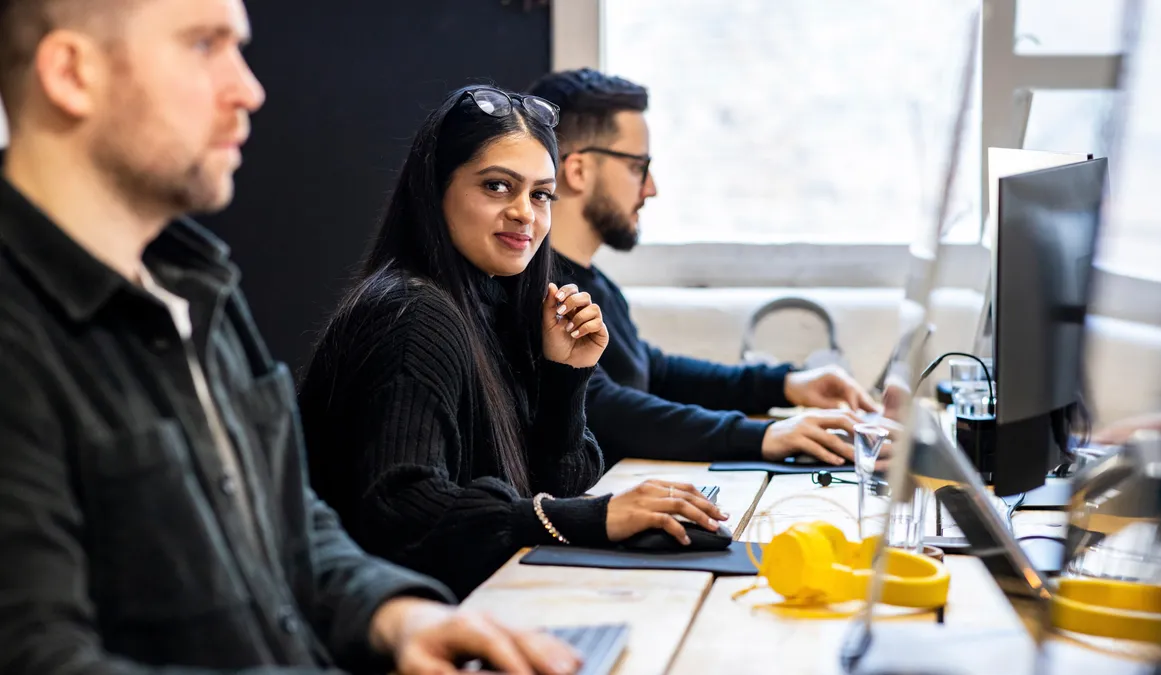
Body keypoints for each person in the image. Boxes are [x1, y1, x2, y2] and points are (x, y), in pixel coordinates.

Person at [0, 1, 583, 673]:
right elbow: (40, 656)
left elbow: (289, 530)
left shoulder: (196, 292)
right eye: (203, 45)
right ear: (73, 73)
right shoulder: (20, 336)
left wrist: (399, 615)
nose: (249, 88)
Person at [297, 84, 728, 599]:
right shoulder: (413, 315)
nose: (526, 212)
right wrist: (595, 517)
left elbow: (559, 479)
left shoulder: (498, 306)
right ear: (435, 190)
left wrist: (565, 379)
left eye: (540, 194)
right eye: (498, 186)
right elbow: (404, 509)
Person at [527, 68, 895, 468]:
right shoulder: (539, 292)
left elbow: (655, 370)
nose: (651, 189)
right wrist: (764, 435)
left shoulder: (596, 285)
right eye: (638, 167)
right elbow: (601, 406)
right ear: (579, 171)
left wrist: (786, 384)